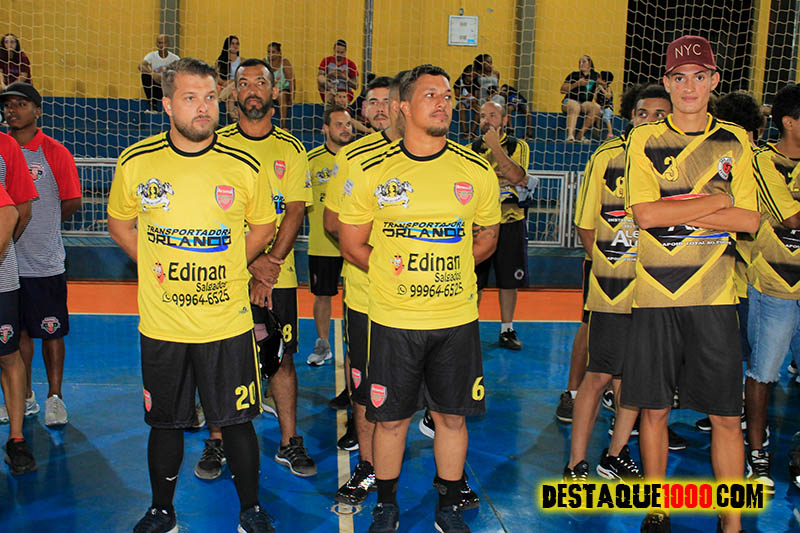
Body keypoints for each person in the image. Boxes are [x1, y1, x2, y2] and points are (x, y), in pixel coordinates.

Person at [107, 57, 278, 533]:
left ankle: (250, 510)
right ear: (167, 104)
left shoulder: (243, 165)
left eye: (209, 98)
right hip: (163, 324)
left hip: (226, 323)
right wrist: (154, 264)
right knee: (164, 422)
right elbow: (119, 224)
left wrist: (232, 262)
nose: (203, 108)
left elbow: (264, 225)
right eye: (190, 98)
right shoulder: (137, 161)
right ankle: (163, 511)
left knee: (238, 420)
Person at [338, 64, 500, 533]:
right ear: (403, 108)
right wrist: (398, 276)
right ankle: (386, 505)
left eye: (447, 95)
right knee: (391, 421)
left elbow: (488, 236)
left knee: (452, 418)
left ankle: (448, 505)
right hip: (394, 318)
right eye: (431, 95)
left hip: (455, 319)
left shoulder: (475, 170)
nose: (443, 102)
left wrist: (449, 268)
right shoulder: (371, 170)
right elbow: (351, 243)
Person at [623, 36, 758, 532]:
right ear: (667, 82)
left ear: (714, 81)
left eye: (699, 77)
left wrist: (676, 209)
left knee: (726, 416)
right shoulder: (643, 140)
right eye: (679, 77)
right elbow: (645, 215)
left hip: (715, 296)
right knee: (654, 410)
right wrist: (717, 202)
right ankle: (657, 511)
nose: (689, 87)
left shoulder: (735, 142)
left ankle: (732, 521)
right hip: (655, 295)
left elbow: (750, 220)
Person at [564, 84, 672, 483]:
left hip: (659, 292)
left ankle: (614, 454)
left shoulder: (679, 162)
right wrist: (613, 268)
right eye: (643, 113)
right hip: (614, 290)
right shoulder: (607, 157)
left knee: (635, 380)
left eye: (660, 115)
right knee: (599, 376)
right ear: (631, 117)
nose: (651, 121)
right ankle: (575, 463)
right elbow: (585, 226)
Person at [217, 58, 317, 479]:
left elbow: (295, 210)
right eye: (243, 83)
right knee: (222, 359)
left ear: (275, 91)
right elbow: (212, 212)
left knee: (281, 357)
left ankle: (290, 442)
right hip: (226, 271)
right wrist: (251, 261)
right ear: (234, 93)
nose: (252, 89)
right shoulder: (216, 144)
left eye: (261, 82)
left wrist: (271, 263)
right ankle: (217, 442)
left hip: (278, 276)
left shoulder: (290, 148)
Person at [322, 73, 399, 505]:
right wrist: (380, 255)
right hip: (368, 294)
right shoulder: (353, 156)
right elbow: (333, 223)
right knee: (368, 388)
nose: (381, 108)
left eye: (388, 100)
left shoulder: (433, 153)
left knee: (428, 393)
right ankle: (368, 469)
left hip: (423, 300)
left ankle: (448, 474)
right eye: (373, 102)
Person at [1, 82, 81, 427]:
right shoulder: (2, 149)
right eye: (8, 105)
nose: (12, 111)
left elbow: (73, 200)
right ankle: (26, 397)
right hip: (7, 262)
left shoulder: (54, 152)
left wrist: (45, 224)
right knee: (15, 334)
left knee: (51, 330)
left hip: (43, 259)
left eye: (21, 104)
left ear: (37, 110)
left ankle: (55, 397)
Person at [694, 90, 766, 434]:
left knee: (751, 357)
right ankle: (728, 410)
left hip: (753, 279)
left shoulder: (757, 166)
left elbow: (751, 222)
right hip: (725, 278)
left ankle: (747, 417)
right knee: (729, 353)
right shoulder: (720, 165)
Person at [743, 83, 800, 495]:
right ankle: (756, 450)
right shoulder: (763, 161)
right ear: (789, 122)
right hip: (775, 285)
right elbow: (791, 217)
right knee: (764, 373)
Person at [470, 101, 529, 350]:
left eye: (493, 115)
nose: (487, 120)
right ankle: (468, 329)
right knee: (474, 280)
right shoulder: (471, 149)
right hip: (480, 224)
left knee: (509, 280)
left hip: (511, 220)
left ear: (505, 120)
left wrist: (495, 147)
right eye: (483, 115)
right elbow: (473, 183)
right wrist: (503, 178)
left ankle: (507, 329)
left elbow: (517, 177)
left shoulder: (518, 145)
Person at [0, 130, 37, 476]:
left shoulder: (6, 146)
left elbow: (13, 213)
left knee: (8, 354)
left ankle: (16, 438)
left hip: (2, 277)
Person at [305, 105, 352, 368]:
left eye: (348, 124)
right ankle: (323, 345)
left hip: (353, 242)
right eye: (339, 124)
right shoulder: (311, 161)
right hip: (322, 244)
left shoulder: (358, 159)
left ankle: (353, 345)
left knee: (353, 298)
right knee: (322, 295)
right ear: (325, 128)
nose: (345, 129)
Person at [560, 55, 600, 142]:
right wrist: (577, 84)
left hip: (584, 103)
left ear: (590, 64)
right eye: (579, 62)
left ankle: (580, 135)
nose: (581, 64)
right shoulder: (574, 75)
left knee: (597, 108)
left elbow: (601, 87)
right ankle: (570, 135)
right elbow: (562, 90)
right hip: (569, 101)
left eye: (584, 62)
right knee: (575, 106)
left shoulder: (595, 76)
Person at [139, 34, 180, 113]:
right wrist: (153, 74)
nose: (161, 45)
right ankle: (153, 105)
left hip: (168, 88)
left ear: (168, 44)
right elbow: (141, 66)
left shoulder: (175, 58)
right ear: (156, 44)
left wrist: (164, 77)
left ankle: (173, 105)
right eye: (159, 43)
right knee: (145, 75)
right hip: (155, 88)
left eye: (164, 43)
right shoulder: (151, 56)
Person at [317, 39, 358, 105]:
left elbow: (356, 86)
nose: (339, 54)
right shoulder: (326, 61)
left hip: (345, 92)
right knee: (322, 83)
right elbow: (320, 78)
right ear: (333, 50)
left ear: (345, 52)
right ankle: (330, 102)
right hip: (330, 90)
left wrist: (345, 78)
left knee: (341, 99)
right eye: (337, 52)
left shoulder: (351, 64)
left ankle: (342, 107)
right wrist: (329, 76)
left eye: (342, 53)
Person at [266, 42, 295, 130]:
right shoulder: (264, 62)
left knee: (281, 95)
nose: (270, 54)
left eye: (273, 52)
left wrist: (292, 97)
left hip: (283, 90)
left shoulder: (285, 62)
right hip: (269, 90)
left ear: (279, 53)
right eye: (268, 52)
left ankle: (283, 125)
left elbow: (292, 81)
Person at [216, 35, 241, 120]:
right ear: (227, 45)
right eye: (232, 43)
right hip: (226, 86)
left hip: (237, 84)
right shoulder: (221, 60)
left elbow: (242, 76)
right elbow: (217, 77)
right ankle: (233, 116)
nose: (235, 46)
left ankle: (220, 99)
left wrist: (230, 82)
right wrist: (225, 83)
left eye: (237, 44)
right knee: (231, 95)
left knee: (234, 84)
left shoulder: (242, 60)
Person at [454, 64, 480, 139]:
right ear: (465, 74)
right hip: (461, 101)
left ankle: (472, 132)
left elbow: (477, 97)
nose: (471, 78)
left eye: (473, 76)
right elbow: (457, 97)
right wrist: (465, 97)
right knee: (462, 108)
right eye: (469, 76)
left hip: (471, 102)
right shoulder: (459, 82)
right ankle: (465, 132)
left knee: (479, 110)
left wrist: (473, 99)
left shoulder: (476, 83)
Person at [596, 70, 615, 140]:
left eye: (599, 77)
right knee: (597, 114)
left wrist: (601, 88)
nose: (597, 79)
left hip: (608, 108)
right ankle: (598, 129)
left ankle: (610, 133)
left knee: (605, 118)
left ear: (604, 80)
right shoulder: (598, 88)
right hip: (602, 108)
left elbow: (608, 96)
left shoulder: (608, 88)